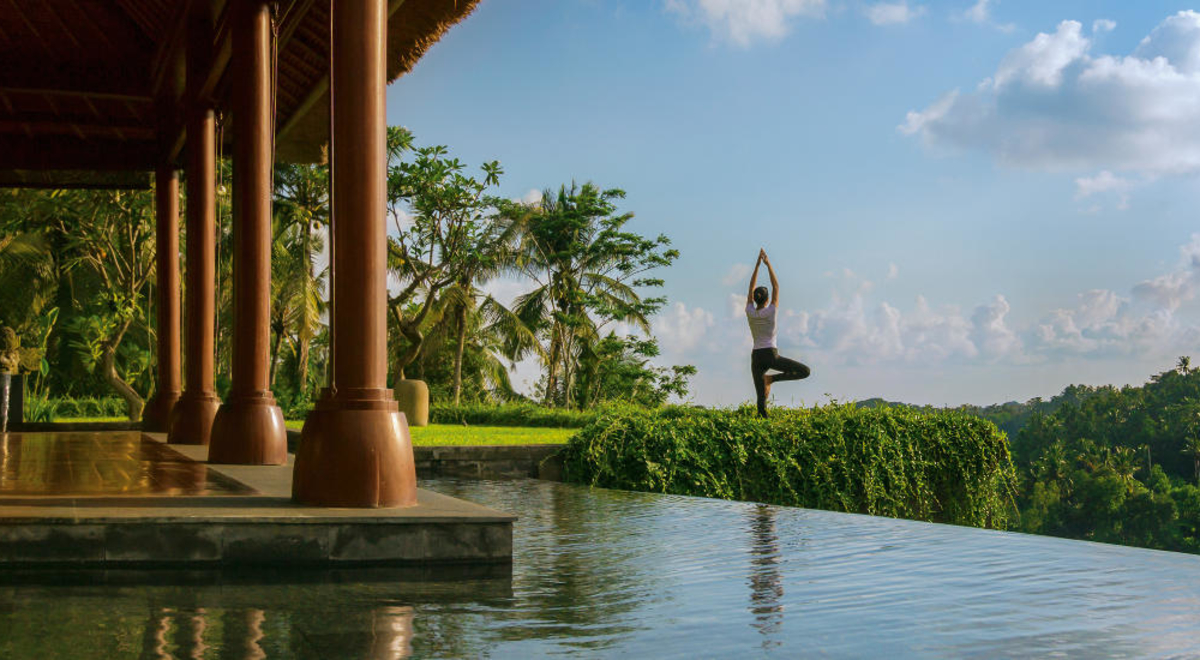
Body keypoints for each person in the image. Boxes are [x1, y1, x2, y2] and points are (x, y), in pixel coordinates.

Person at [746, 249, 809, 418]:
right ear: (767, 300)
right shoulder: (771, 311)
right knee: (805, 371)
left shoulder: (749, 311)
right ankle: (772, 379)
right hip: (771, 355)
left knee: (761, 400)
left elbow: (751, 287)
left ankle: (763, 424)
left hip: (756, 357)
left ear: (754, 299)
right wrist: (768, 264)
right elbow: (776, 286)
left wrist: (757, 265)